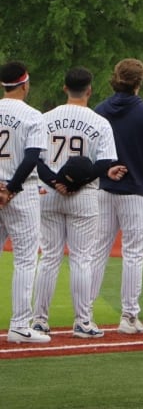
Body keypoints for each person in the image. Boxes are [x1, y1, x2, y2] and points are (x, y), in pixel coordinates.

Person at [32, 67, 121, 339]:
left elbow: (33, 157)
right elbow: (106, 163)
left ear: (64, 88)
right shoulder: (99, 122)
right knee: (82, 259)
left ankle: (38, 321)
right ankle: (83, 322)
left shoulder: (44, 119)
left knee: (49, 258)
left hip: (48, 193)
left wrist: (56, 182)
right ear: (90, 90)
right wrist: (75, 184)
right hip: (84, 196)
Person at [90, 58, 143, 335]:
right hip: (136, 189)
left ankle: (84, 314)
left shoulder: (100, 110)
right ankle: (129, 316)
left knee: (97, 251)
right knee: (133, 254)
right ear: (139, 81)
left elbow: (91, 150)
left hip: (104, 187)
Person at [0, 61, 49, 344]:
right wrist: (11, 188)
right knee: (25, 260)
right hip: (22, 192)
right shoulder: (32, 115)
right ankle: (19, 325)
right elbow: (32, 157)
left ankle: (20, 324)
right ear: (25, 84)